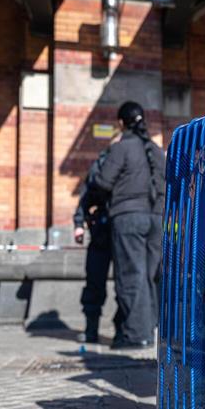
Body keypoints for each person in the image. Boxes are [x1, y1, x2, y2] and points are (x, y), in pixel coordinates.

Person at [89, 102, 165, 349]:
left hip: (128, 218)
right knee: (150, 276)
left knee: (132, 276)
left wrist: (94, 202)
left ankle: (136, 335)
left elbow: (102, 182)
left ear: (121, 123)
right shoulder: (156, 150)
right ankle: (150, 329)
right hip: (157, 219)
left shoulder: (121, 148)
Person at [73, 136, 124, 344]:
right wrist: (79, 223)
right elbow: (87, 195)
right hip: (101, 230)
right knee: (94, 281)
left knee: (125, 283)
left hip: (122, 230)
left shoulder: (131, 161)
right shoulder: (101, 163)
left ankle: (121, 330)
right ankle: (91, 328)